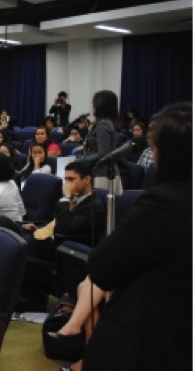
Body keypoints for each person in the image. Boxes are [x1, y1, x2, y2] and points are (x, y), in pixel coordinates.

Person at [75, 102, 193, 371]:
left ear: (172, 153)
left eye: (155, 147)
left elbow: (102, 266)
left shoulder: (164, 204)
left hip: (156, 335)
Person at [0, 161, 105, 262]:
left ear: (86, 179)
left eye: (71, 180)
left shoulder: (94, 208)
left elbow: (64, 228)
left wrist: (65, 199)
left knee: (11, 242)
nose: (67, 184)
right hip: (41, 236)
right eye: (65, 180)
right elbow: (53, 221)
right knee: (1, 222)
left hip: (58, 247)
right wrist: (38, 227)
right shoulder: (74, 197)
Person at [77, 90, 123, 195]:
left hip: (102, 174)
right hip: (102, 171)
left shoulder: (103, 125)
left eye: (94, 103)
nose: (92, 106)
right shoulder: (106, 123)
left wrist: (81, 160)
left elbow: (103, 153)